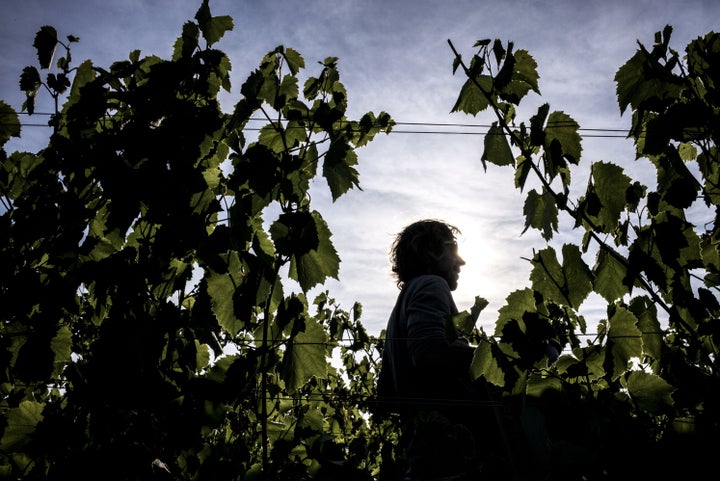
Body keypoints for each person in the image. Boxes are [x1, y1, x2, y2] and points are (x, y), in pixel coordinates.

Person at [376, 219, 496, 480]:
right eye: (453, 250)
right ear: (430, 252)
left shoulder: (404, 300)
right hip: (446, 447)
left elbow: (386, 397)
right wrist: (497, 358)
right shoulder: (431, 284)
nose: (461, 261)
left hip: (424, 446)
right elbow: (429, 352)